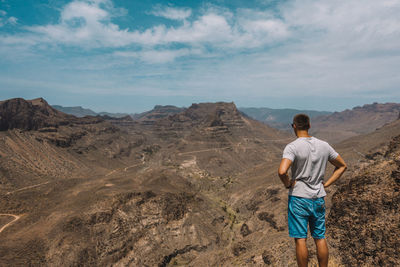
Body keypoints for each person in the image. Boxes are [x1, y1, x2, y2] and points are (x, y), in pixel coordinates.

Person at [278, 114, 347, 267]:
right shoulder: (324, 145)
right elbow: (342, 166)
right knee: (320, 237)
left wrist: (288, 184)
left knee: (301, 239)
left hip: (299, 198)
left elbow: (282, 171)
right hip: (318, 197)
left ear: (294, 126)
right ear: (309, 126)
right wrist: (327, 184)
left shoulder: (292, 147)